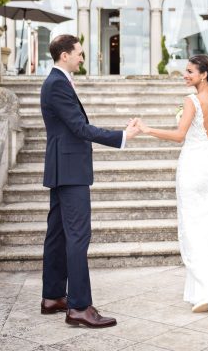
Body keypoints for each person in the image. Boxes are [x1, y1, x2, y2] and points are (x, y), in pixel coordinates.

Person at [135, 54, 208, 312]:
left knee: (193, 229)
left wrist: (147, 129)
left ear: (204, 74)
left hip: (193, 167)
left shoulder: (191, 101)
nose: (185, 75)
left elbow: (179, 136)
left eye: (189, 71)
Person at [40, 34, 139, 328]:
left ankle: (53, 296)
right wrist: (122, 136)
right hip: (70, 170)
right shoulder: (57, 83)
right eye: (79, 53)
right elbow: (80, 128)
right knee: (77, 237)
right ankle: (80, 307)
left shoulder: (56, 81)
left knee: (58, 234)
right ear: (65, 55)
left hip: (63, 168)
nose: (82, 58)